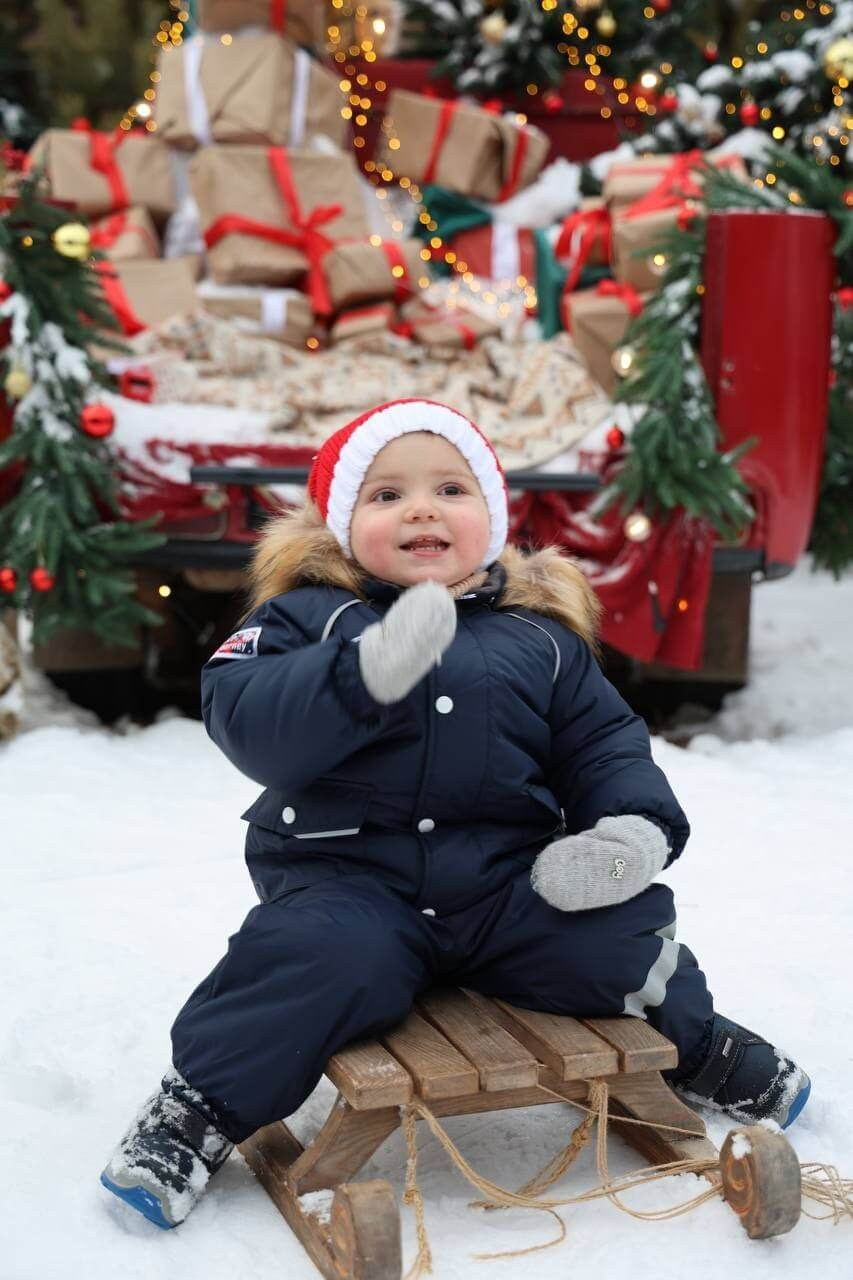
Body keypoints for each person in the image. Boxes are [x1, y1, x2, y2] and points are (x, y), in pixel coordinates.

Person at [101, 398, 810, 1229]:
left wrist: (628, 829)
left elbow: (604, 744)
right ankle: (197, 1110)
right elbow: (251, 723)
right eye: (386, 495)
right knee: (312, 959)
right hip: (350, 880)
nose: (421, 509)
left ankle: (699, 1045)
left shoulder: (537, 638)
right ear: (340, 523)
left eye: (449, 488)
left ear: (493, 517)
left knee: (618, 936)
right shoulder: (302, 618)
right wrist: (358, 673)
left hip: (505, 885)